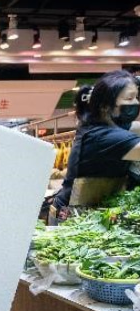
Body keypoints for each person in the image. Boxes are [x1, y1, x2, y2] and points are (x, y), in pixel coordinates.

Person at [51, 70, 140, 223]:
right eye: (129, 98)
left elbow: (135, 127)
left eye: (137, 97)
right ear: (106, 106)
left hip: (87, 211)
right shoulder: (106, 138)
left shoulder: (96, 126)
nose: (136, 103)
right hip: (73, 218)